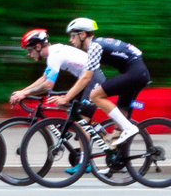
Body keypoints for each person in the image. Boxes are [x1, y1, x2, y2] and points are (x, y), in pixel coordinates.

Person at [56, 17, 146, 145]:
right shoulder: (98, 43)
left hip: (135, 73)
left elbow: (86, 77)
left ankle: (128, 128)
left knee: (95, 95)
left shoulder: (94, 46)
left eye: (72, 36)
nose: (70, 40)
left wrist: (66, 98)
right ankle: (119, 155)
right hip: (137, 73)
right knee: (119, 124)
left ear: (82, 34)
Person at [10, 28, 91, 110]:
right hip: (88, 79)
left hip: (91, 78)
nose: (28, 54)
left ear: (38, 47)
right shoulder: (54, 52)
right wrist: (22, 92)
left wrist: (25, 93)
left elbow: (48, 85)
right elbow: (44, 78)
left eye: (29, 50)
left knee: (67, 105)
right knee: (65, 106)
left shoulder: (54, 55)